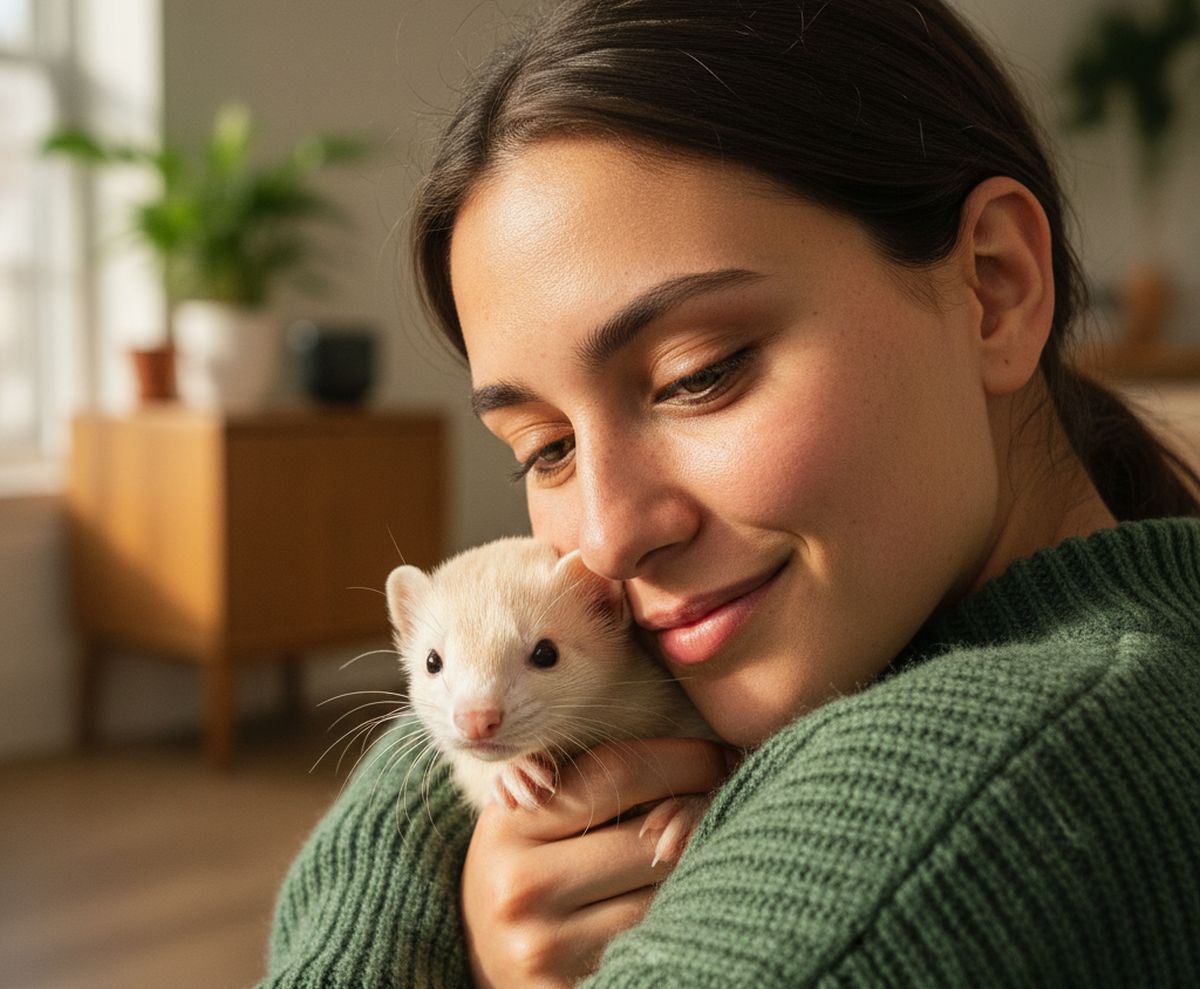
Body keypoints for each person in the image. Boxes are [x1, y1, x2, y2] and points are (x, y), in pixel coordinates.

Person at [259, 1, 1200, 985]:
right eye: (543, 447)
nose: (609, 539)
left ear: (994, 286)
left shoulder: (954, 824)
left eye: (699, 373)